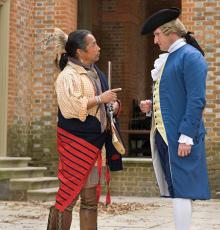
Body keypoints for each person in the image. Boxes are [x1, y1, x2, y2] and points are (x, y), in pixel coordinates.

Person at [45, 29, 124, 230]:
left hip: (97, 145)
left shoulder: (96, 72)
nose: (99, 48)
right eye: (94, 45)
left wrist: (112, 106)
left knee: (90, 201)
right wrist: (100, 99)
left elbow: (103, 105)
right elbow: (70, 107)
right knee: (68, 198)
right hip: (76, 144)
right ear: (80, 51)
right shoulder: (67, 76)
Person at [139, 7, 210, 230]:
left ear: (171, 33)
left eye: (157, 35)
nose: (155, 41)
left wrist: (187, 136)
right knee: (175, 188)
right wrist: (151, 106)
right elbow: (172, 97)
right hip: (165, 134)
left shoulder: (190, 56)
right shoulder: (171, 58)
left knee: (183, 189)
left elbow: (196, 100)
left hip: (181, 136)